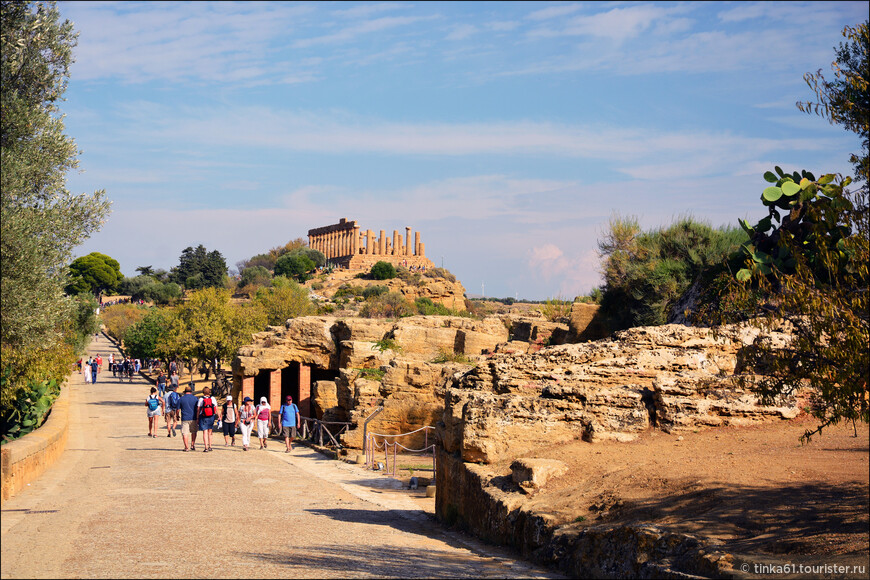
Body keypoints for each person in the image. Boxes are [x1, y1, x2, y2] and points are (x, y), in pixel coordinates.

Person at [196, 387, 218, 453]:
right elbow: (216, 408)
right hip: (211, 416)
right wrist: (218, 416)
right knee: (210, 432)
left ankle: (206, 447)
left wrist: (197, 418)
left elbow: (198, 409)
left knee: (205, 432)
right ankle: (210, 446)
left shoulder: (201, 399)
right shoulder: (213, 398)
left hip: (203, 416)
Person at [178, 384, 199, 452]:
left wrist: (177, 415)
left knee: (185, 432)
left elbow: (178, 409)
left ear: (184, 392)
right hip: (193, 417)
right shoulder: (195, 398)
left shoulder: (181, 399)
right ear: (191, 391)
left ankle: (186, 447)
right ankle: (192, 445)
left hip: (185, 417)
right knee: (194, 431)